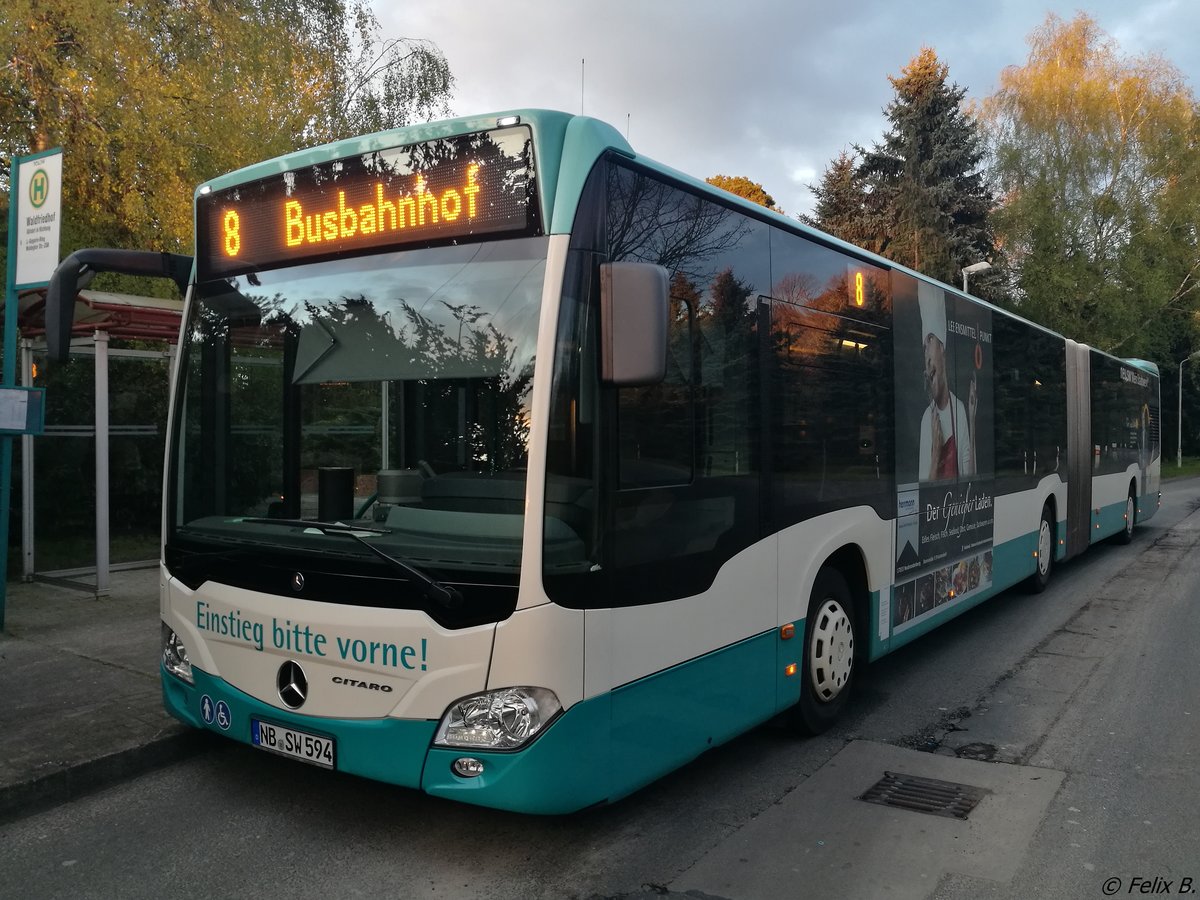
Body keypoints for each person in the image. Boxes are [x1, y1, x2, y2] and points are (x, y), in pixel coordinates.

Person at [917, 287, 976, 480]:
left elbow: (969, 477)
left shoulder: (958, 410)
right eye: (924, 347)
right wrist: (936, 456)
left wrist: (972, 419)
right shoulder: (928, 419)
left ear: (942, 347)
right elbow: (924, 493)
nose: (927, 357)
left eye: (930, 340)